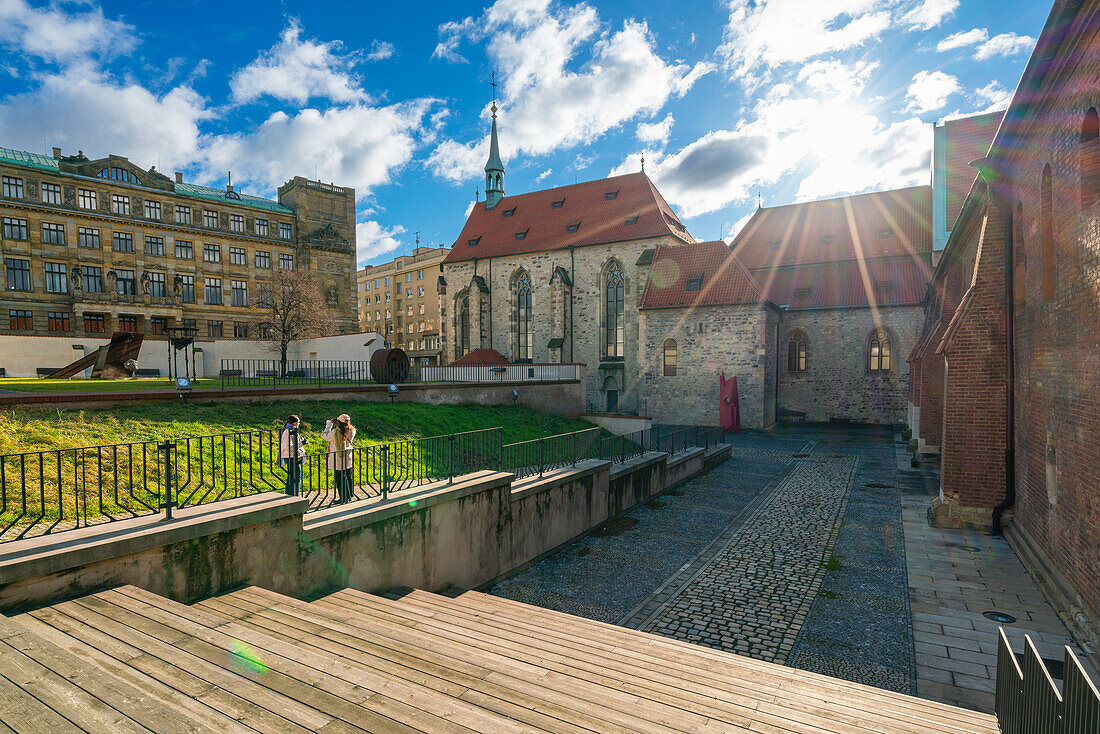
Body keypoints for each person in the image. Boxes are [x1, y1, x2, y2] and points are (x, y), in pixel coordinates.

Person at [322, 413, 356, 504]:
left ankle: (343, 498)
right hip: (348, 455)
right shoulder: (352, 430)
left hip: (338, 456)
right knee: (348, 475)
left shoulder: (335, 432)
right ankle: (349, 495)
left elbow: (325, 436)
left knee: (339, 478)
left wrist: (329, 425)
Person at [279, 415, 306, 496]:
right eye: (299, 422)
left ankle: (289, 494)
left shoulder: (291, 430)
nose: (299, 424)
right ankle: (293, 495)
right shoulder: (288, 431)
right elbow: (287, 446)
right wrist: (302, 443)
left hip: (291, 456)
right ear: (295, 423)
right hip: (290, 456)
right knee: (297, 476)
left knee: (292, 476)